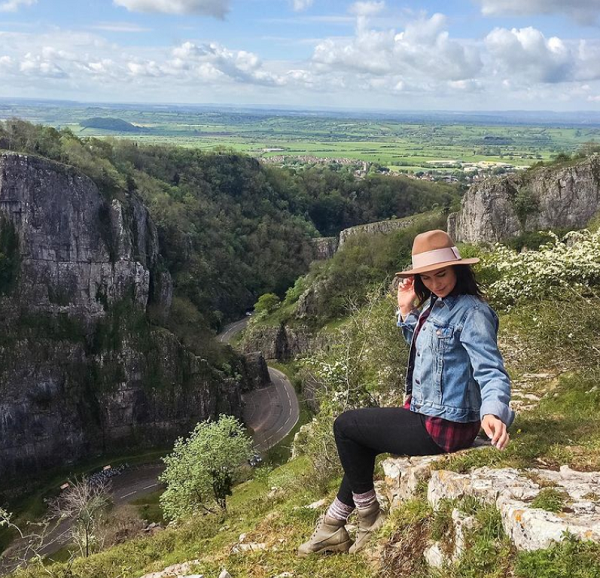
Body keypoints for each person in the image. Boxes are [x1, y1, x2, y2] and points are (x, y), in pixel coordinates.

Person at [298, 229, 514, 556]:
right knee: (362, 442)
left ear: (458, 268)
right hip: (427, 413)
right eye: (426, 277)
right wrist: (405, 310)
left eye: (441, 273)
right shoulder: (436, 306)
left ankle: (369, 518)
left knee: (345, 427)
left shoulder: (472, 312)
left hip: (443, 426)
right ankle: (333, 524)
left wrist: (493, 410)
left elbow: (490, 368)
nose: (435, 283)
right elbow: (426, 350)